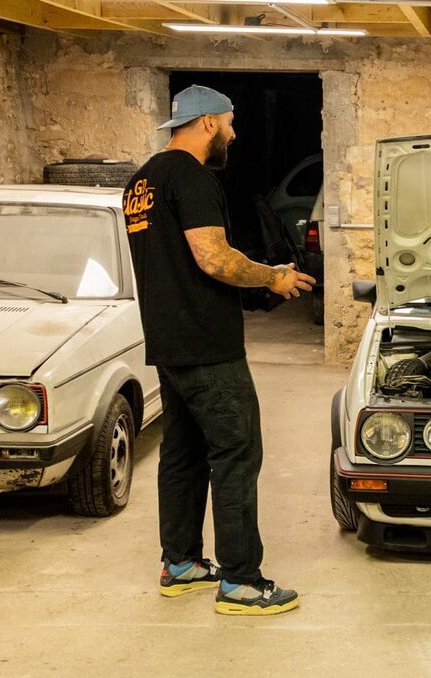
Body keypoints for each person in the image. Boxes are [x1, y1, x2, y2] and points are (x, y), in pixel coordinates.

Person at [121, 85, 314, 616]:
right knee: (236, 453)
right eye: (229, 122)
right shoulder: (192, 176)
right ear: (208, 122)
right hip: (207, 344)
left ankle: (180, 563)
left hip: (168, 341)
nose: (234, 132)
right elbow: (213, 258)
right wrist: (272, 277)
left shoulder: (142, 181)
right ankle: (241, 582)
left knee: (183, 455)